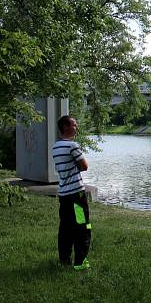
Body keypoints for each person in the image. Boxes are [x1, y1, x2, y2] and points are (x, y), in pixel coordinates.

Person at [52, 115, 92, 271]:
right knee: (82, 227)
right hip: (77, 196)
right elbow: (84, 166)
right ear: (66, 127)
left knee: (66, 228)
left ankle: (65, 260)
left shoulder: (56, 146)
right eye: (74, 125)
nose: (77, 127)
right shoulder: (72, 146)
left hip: (64, 195)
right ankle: (81, 263)